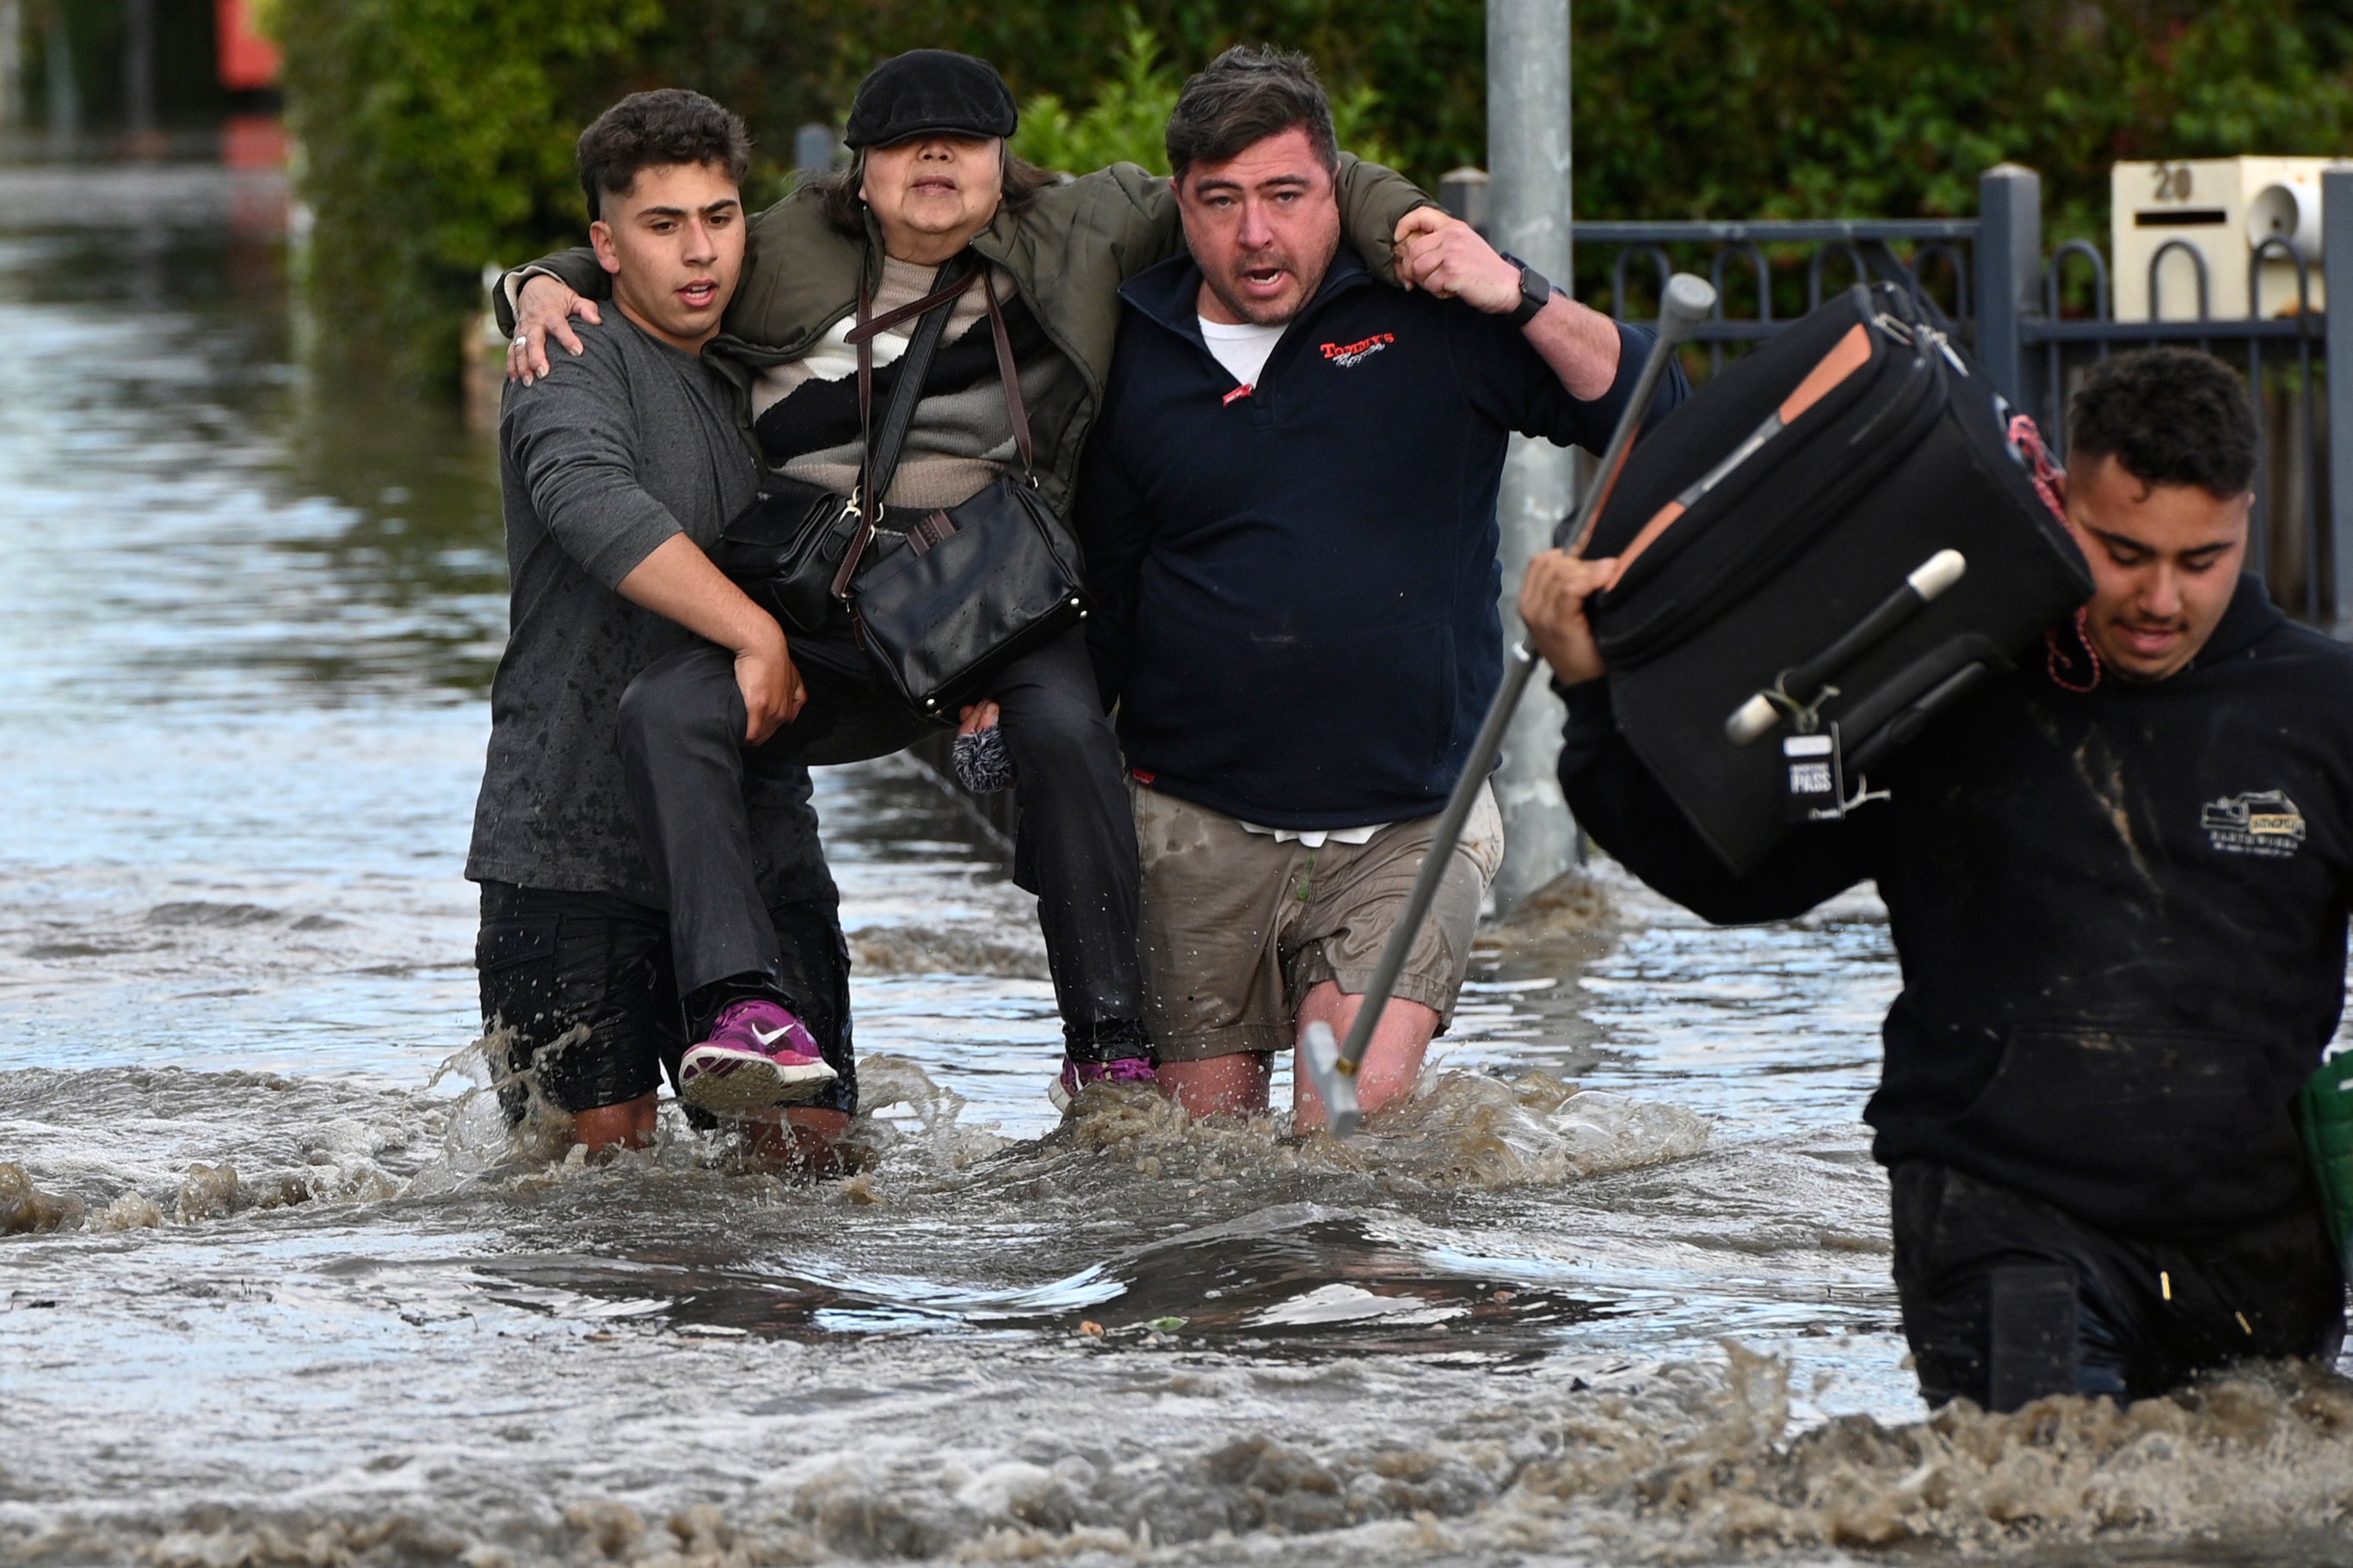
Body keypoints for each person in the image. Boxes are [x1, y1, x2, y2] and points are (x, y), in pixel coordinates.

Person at [497, 51, 1437, 1111]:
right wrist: (530, 287)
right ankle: (738, 1002)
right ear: (859, 171)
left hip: (988, 594)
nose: (934, 157)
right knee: (666, 701)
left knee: (1070, 729)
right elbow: (654, 250)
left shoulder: (1085, 225)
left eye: (964, 140)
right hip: (819, 604)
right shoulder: (774, 247)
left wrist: (1409, 227)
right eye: (904, 143)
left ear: (1004, 162)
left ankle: (1107, 1040)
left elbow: (1290, 177)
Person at [1524, 347, 2351, 1410]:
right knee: (2038, 1505)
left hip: (2259, 1248)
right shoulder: (1950, 671)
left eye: (2201, 560)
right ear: (2060, 496)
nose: (2158, 598)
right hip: (2005, 1219)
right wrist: (1591, 702)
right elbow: (1733, 876)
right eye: (2121, 551)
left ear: (2245, 519)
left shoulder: (2325, 712)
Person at [1075, 46, 1689, 1129]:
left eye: (1283, 196)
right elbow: (1109, 592)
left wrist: (1517, 290)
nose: (1253, 233)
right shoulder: (1133, 342)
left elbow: (1651, 406)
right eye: (1220, 201)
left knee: (1340, 1135)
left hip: (1409, 820)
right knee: (1193, 1186)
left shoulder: (1432, 316)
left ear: (1335, 189)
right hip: (1191, 825)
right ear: (1180, 203)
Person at [471, 88, 853, 1163]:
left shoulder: (770, 360)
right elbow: (587, 494)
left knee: (812, 1161)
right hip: (568, 840)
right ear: (606, 243)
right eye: (662, 224)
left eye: (720, 218)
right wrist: (754, 634)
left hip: (757, 825)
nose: (700, 252)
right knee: (592, 1185)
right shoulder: (569, 355)